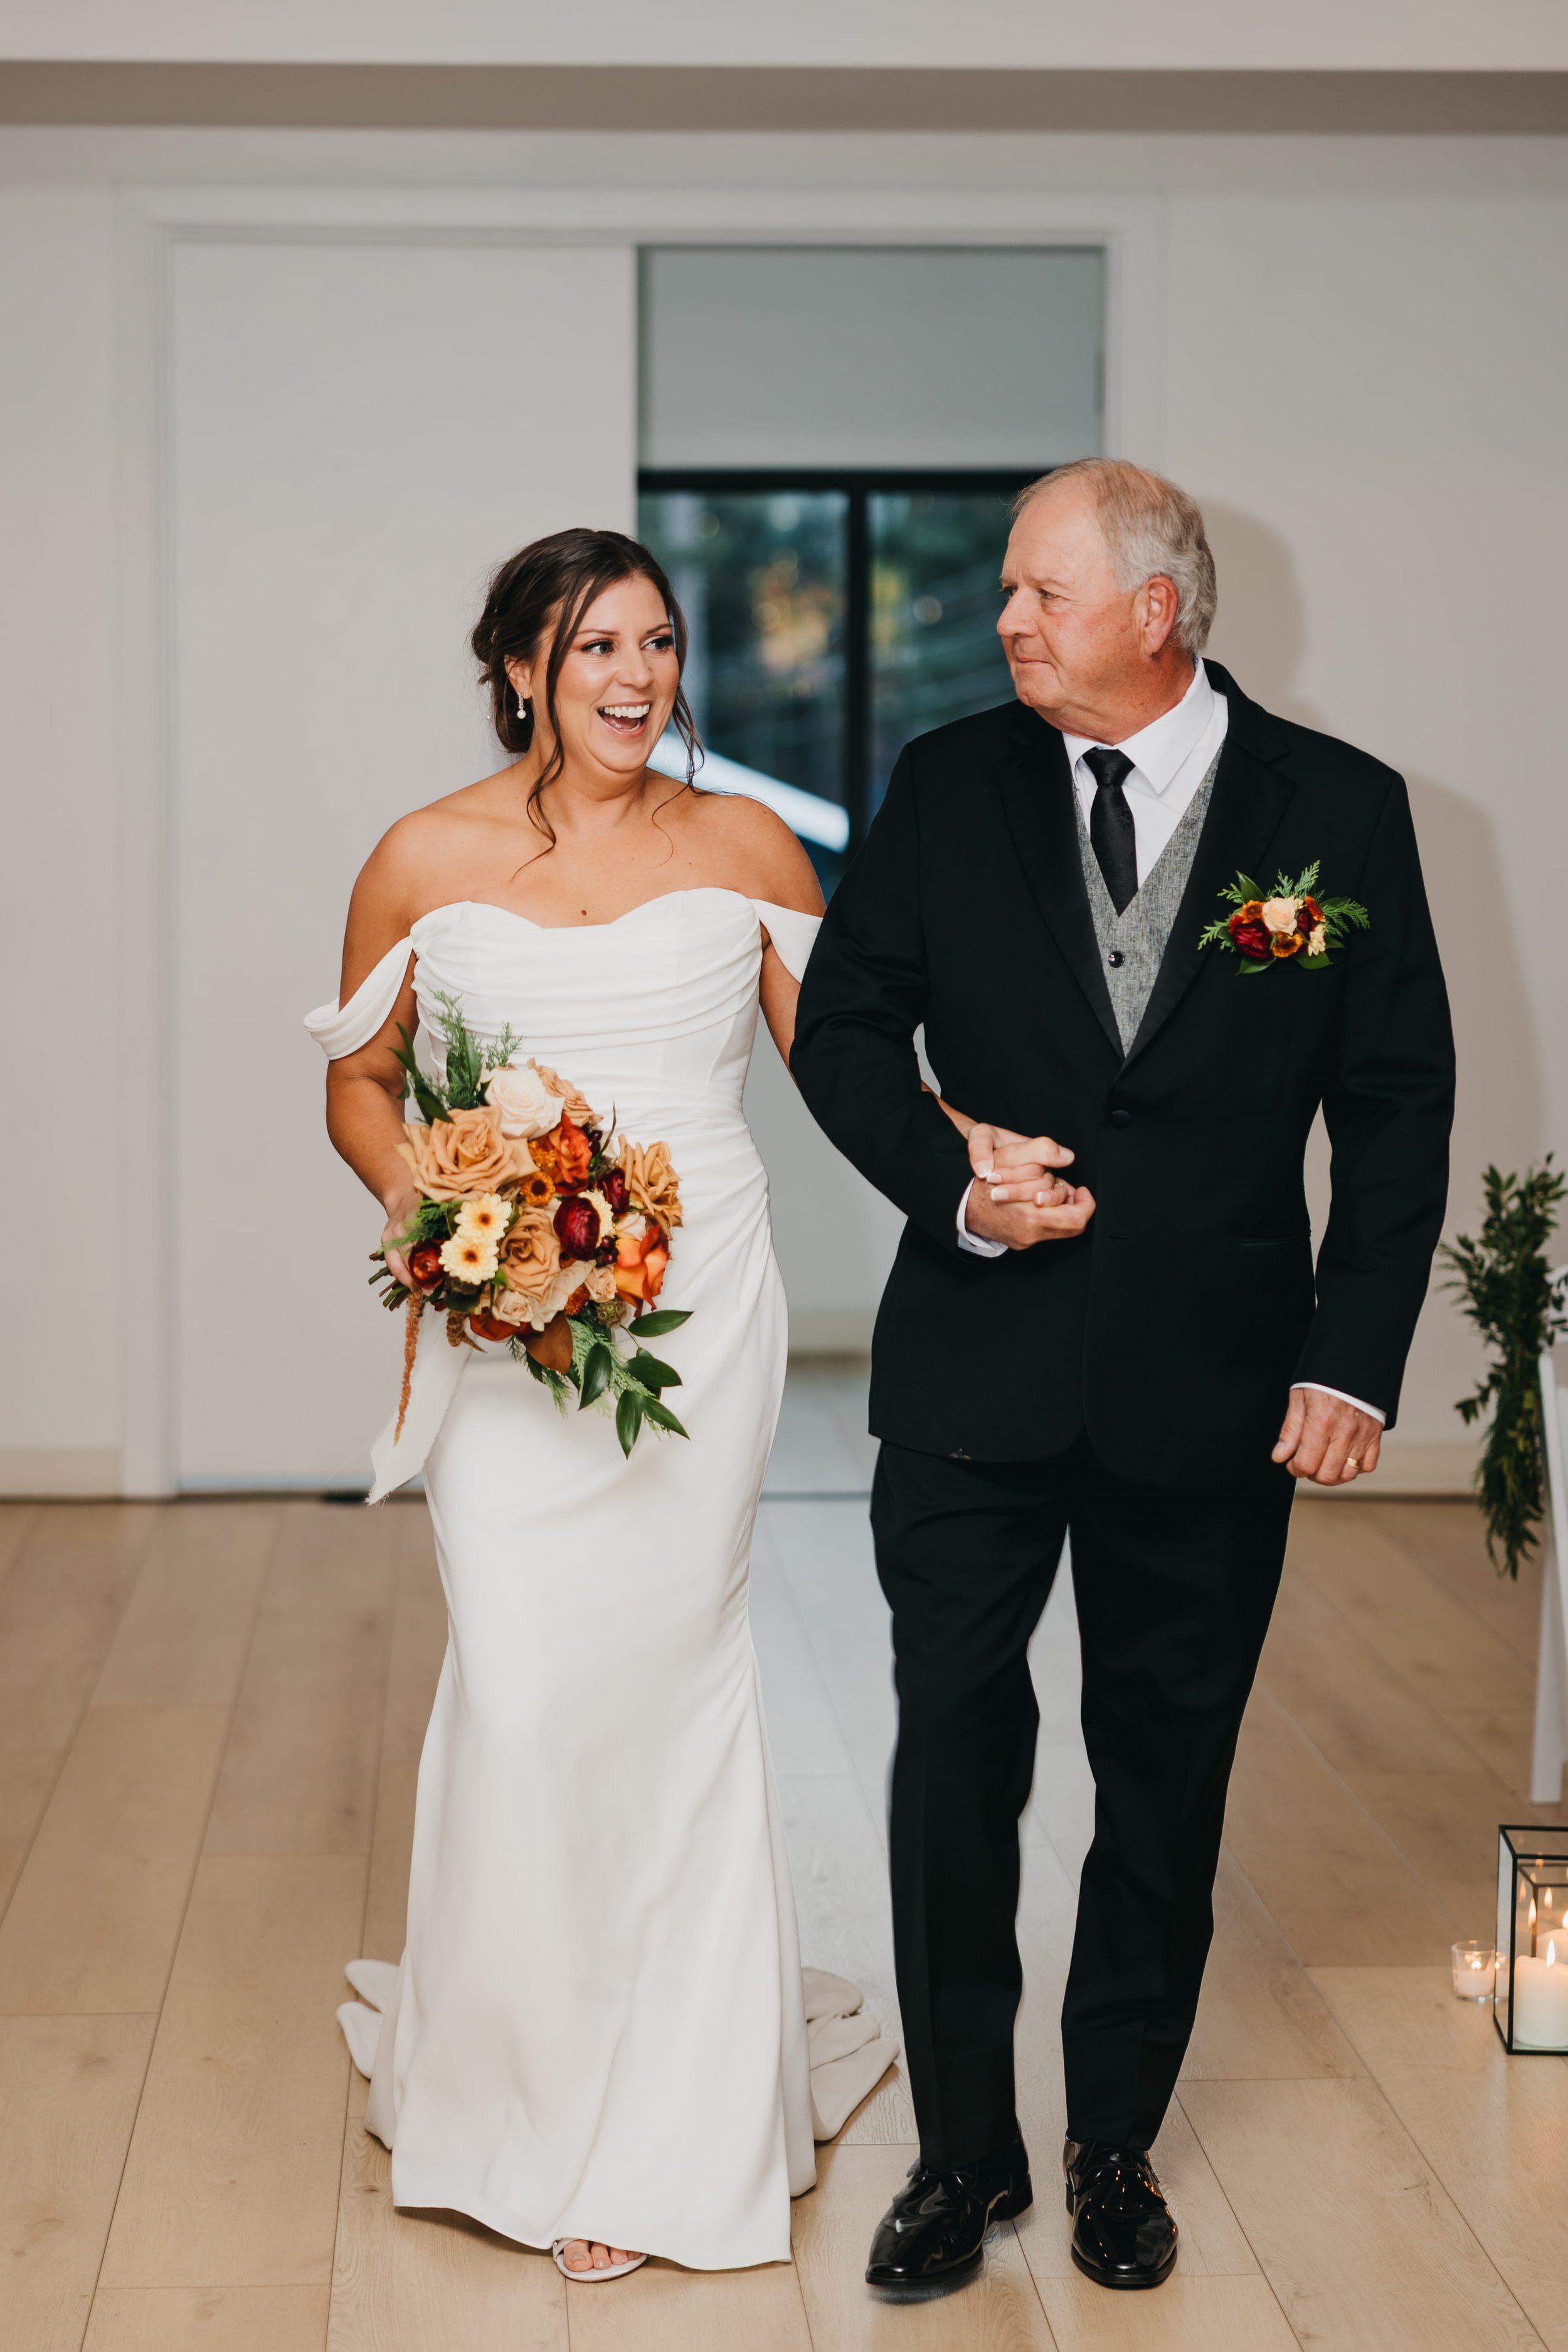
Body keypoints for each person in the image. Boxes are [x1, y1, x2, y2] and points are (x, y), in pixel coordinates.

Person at [791, 459, 1454, 2294]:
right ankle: (957, 2156)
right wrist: (953, 1182)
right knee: (951, 1767)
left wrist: (1356, 1361)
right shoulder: (944, 785)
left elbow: (1396, 1111)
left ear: (1155, 611)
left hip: (1219, 1384)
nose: (1000, 619)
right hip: (970, 1368)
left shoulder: (1341, 810)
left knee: (1161, 1777)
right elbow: (843, 1026)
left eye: (1036, 591)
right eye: (1004, 593)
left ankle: (1108, 2148)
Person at [304, 528, 893, 2280]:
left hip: (699, 1324)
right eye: (591, 651)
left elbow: (842, 1058)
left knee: (674, 1685)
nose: (634, 678)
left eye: (655, 643)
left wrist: (971, 1160)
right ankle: (514, 2083)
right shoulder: (423, 853)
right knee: (530, 1683)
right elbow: (357, 1080)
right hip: (503, 1336)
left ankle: (665, 2123)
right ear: (520, 674)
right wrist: (455, 1229)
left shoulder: (745, 844)